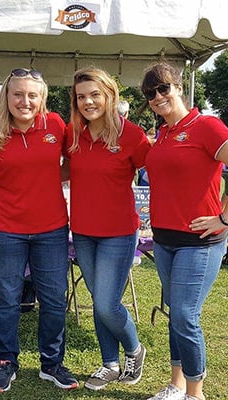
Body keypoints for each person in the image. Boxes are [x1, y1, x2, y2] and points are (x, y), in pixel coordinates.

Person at [0, 68, 78, 393]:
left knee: (53, 298)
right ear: (7, 95)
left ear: (42, 98)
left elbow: (74, 161)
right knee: (6, 300)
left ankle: (52, 364)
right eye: (18, 94)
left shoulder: (57, 125)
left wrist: (52, 174)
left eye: (32, 95)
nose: (25, 101)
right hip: (3, 229)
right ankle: (6, 362)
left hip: (51, 229)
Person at [141, 61, 228, 400]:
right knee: (174, 314)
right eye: (151, 93)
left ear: (178, 87)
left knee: (183, 316)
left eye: (163, 88)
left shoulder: (207, 126)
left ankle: (196, 393)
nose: (158, 96)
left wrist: (223, 218)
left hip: (200, 242)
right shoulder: (163, 134)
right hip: (165, 240)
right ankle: (176, 385)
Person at [63, 66, 150, 391]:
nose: (88, 102)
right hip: (83, 231)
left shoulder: (132, 135)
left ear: (110, 95)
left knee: (105, 303)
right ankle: (109, 364)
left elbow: (162, 171)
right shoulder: (73, 135)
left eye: (94, 95)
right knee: (98, 298)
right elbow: (55, 170)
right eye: (81, 97)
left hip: (119, 232)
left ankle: (134, 349)